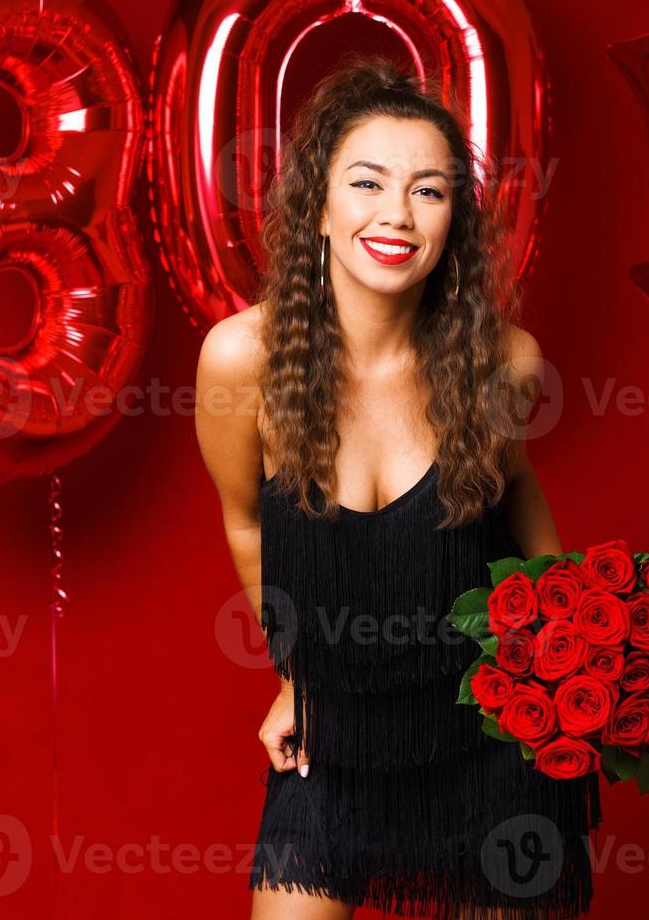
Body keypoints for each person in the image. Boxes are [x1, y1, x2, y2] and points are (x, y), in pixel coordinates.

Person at [195, 55, 599, 920]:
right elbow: (242, 523)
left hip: (495, 734)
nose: (396, 214)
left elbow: (519, 496)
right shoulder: (242, 361)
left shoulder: (506, 364)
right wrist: (293, 677)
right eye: (368, 182)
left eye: (428, 191)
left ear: (453, 221)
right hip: (336, 737)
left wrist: (573, 641)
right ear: (321, 209)